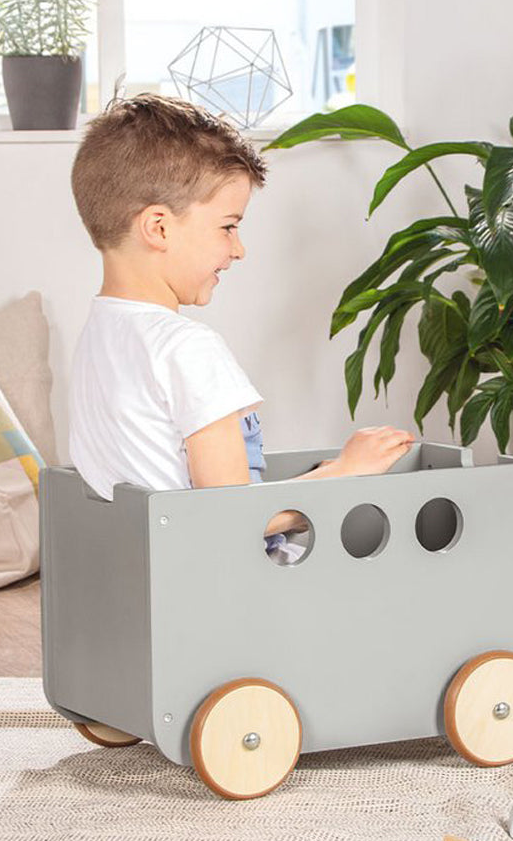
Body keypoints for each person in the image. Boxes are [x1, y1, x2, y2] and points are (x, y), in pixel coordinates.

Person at [68, 94, 414, 554]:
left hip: (144, 574)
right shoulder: (187, 347)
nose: (238, 249)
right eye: (228, 227)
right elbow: (236, 520)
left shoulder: (98, 337)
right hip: (227, 586)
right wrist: (347, 471)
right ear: (159, 228)